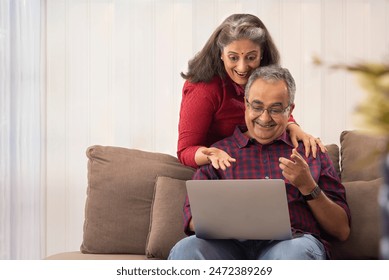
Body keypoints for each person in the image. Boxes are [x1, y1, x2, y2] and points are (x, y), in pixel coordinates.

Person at [169, 65, 351, 260]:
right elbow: (192, 221)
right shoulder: (219, 154)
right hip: (226, 247)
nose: (264, 118)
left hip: (292, 244)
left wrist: (308, 186)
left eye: (275, 109)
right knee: (186, 249)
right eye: (257, 107)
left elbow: (341, 230)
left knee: (294, 254)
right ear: (246, 105)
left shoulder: (310, 152)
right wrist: (229, 217)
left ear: (290, 109)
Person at [177, 13, 325, 170]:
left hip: (256, 160)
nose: (242, 67)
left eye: (251, 57)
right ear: (221, 53)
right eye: (233, 58)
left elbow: (276, 106)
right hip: (221, 170)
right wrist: (210, 155)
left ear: (262, 55)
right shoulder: (204, 89)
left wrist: (293, 126)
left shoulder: (263, 77)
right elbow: (185, 151)